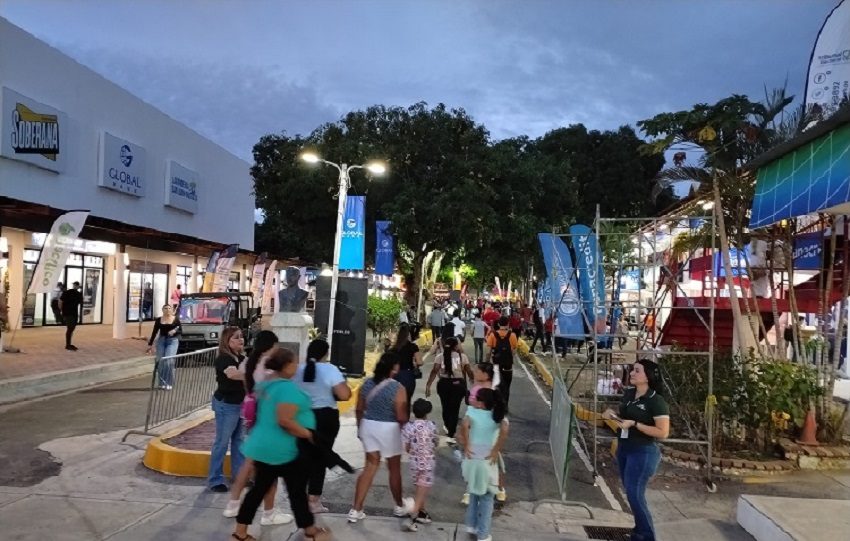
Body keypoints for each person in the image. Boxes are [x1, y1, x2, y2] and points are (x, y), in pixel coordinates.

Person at [230, 348, 331, 541]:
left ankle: (240, 532)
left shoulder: (266, 385)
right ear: (285, 366)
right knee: (297, 492)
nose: (297, 366)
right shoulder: (287, 389)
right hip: (284, 450)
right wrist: (309, 434)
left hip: (263, 446)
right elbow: (285, 420)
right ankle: (310, 530)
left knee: (258, 490)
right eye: (294, 363)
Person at [223, 330, 293, 526]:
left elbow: (245, 382)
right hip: (268, 420)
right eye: (276, 346)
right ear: (271, 346)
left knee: (250, 463)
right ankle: (269, 513)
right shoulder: (271, 368)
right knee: (269, 468)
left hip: (251, 417)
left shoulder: (248, 363)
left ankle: (233, 503)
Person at [604, 360, 670, 541]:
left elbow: (662, 432)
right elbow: (625, 419)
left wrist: (635, 424)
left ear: (648, 376)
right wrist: (612, 415)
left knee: (634, 493)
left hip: (643, 452)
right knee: (630, 492)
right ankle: (639, 532)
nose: (632, 373)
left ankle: (647, 535)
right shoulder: (630, 393)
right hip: (624, 448)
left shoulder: (656, 401)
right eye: (632, 370)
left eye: (637, 371)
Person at [348, 353, 413, 523]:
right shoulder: (398, 388)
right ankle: (399, 506)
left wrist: (360, 427)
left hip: (368, 426)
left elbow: (359, 409)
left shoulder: (367, 383)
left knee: (370, 467)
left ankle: (356, 509)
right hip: (389, 429)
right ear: (394, 367)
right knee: (394, 469)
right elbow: (400, 416)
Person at [296, 339, 353, 514]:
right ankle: (313, 500)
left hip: (303, 417)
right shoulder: (330, 370)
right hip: (326, 418)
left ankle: (299, 498)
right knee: (319, 458)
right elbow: (344, 395)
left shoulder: (298, 370)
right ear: (325, 354)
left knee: (303, 458)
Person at [457, 387, 509, 541]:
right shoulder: (497, 415)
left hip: (472, 459)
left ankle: (472, 527)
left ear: (482, 403)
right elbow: (505, 429)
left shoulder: (471, 412)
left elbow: (464, 426)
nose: (473, 400)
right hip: (487, 460)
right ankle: (483, 534)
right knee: (487, 498)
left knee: (473, 493)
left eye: (476, 398)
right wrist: (496, 450)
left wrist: (466, 445)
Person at [208, 327, 246, 492]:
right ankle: (215, 479)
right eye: (236, 337)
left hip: (240, 404)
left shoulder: (242, 358)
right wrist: (254, 374)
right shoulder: (224, 359)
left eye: (241, 337)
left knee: (239, 441)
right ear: (227, 341)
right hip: (227, 405)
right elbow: (233, 375)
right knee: (222, 443)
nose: (241, 340)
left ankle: (239, 477)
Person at [424, 336, 473, 443]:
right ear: (456, 346)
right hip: (458, 385)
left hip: (444, 384)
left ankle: (447, 425)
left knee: (445, 407)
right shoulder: (463, 357)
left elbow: (434, 371)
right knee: (455, 409)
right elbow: (469, 371)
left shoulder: (440, 356)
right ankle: (452, 431)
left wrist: (428, 385)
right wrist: (473, 382)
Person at [400, 398, 439, 532]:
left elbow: (407, 447)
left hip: (414, 463)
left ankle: (422, 513)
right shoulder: (432, 426)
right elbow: (435, 443)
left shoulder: (408, 427)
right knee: (421, 492)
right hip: (428, 463)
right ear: (427, 412)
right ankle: (412, 517)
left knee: (419, 490)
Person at [146, 304, 182, 389]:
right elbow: (154, 332)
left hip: (172, 341)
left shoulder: (175, 319)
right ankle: (162, 383)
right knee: (161, 361)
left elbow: (181, 330)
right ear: (162, 310)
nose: (168, 309)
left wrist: (174, 331)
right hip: (161, 341)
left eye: (169, 308)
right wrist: (150, 344)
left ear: (171, 310)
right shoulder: (159, 320)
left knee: (168, 361)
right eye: (165, 308)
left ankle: (169, 382)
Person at [486, 316, 518, 409]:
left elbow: (488, 352)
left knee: (496, 385)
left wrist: (487, 361)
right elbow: (514, 352)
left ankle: (497, 405)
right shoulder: (512, 335)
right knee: (507, 387)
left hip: (496, 365)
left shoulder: (492, 335)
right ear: (508, 324)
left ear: (499, 324)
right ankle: (505, 406)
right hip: (508, 365)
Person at [391, 324, 424, 407]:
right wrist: (414, 364)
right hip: (408, 375)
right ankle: (405, 418)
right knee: (407, 401)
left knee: (395, 400)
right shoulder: (413, 347)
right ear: (408, 335)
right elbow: (420, 362)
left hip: (395, 376)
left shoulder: (394, 348)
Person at [59, 281, 83, 351]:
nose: (75, 286)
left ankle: (69, 343)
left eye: (75, 285)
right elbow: (60, 301)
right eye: (75, 285)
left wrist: (61, 310)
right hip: (69, 313)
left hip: (72, 313)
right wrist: (61, 310)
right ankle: (68, 345)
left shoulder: (77, 294)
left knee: (71, 328)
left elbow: (60, 301)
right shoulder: (68, 292)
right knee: (70, 328)